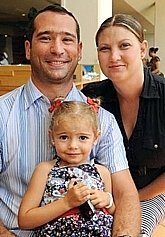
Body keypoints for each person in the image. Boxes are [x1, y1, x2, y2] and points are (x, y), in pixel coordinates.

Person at [0, 5, 141, 237]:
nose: (57, 49)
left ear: (78, 49)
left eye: (67, 39)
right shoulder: (3, 114)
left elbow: (125, 194)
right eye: (45, 38)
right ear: (28, 48)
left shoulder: (102, 120)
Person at [82, 13, 165, 237]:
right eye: (104, 48)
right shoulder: (90, 98)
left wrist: (132, 198)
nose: (114, 56)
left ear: (142, 48)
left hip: (154, 191)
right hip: (103, 194)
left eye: (124, 45)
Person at [18, 99, 115, 236]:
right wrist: (67, 202)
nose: (73, 145)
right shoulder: (45, 170)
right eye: (64, 137)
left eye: (82, 138)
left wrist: (107, 200)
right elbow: (25, 220)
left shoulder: (102, 172)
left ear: (95, 138)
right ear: (52, 137)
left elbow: (112, 211)